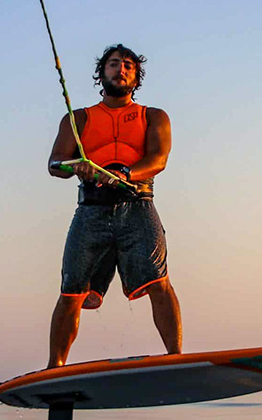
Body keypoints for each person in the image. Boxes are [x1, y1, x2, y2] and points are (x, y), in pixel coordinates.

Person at [45, 44, 182, 367]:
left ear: (136, 77)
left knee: (159, 281)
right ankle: (54, 368)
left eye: (128, 66)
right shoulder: (78, 118)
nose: (121, 69)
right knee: (71, 290)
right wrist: (76, 166)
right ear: (101, 72)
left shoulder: (154, 116)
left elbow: (158, 160)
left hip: (138, 204)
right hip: (91, 209)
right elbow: (54, 164)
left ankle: (176, 358)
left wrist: (124, 173)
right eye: (114, 64)